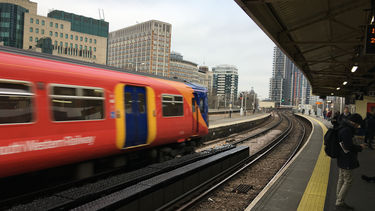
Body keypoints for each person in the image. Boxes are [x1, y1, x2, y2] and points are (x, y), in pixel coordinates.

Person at [335, 113, 364, 210]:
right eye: (358, 124)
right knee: (348, 181)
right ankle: (339, 202)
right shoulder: (347, 130)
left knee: (341, 179)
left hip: (341, 158)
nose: (358, 126)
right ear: (354, 122)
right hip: (346, 159)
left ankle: (338, 198)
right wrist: (360, 147)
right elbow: (348, 146)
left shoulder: (343, 126)